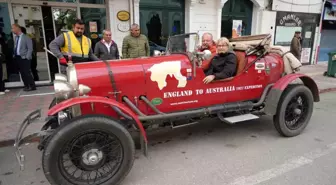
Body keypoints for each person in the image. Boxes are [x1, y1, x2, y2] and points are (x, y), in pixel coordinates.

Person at [11, 24, 36, 91]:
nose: (12, 30)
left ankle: (32, 86)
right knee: (22, 73)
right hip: (18, 57)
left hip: (25, 58)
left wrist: (27, 57)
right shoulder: (16, 37)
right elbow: (16, 47)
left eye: (13, 28)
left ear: (17, 28)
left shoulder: (26, 37)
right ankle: (26, 85)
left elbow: (30, 49)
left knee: (27, 72)